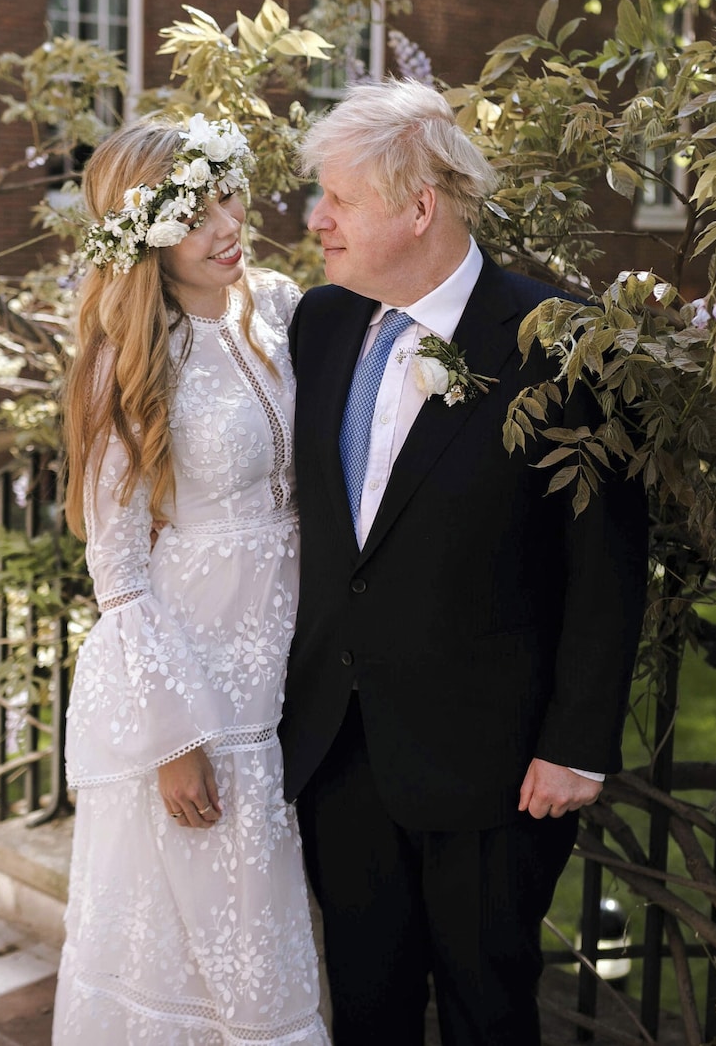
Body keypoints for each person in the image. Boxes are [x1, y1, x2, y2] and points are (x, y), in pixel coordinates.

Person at [278, 77, 648, 1046]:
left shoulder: (560, 342)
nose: (316, 221)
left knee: (488, 1007)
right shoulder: (319, 325)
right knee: (365, 1004)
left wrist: (575, 742)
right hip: (338, 745)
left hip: (494, 762)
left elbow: (604, 559)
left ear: (417, 207)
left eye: (337, 200)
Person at [53, 114, 329, 1046]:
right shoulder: (130, 361)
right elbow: (120, 569)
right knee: (208, 937)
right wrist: (174, 736)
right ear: (143, 236)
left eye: (227, 192)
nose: (226, 222)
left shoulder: (283, 307)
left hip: (298, 654)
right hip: (199, 682)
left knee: (278, 922)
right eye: (193, 210)